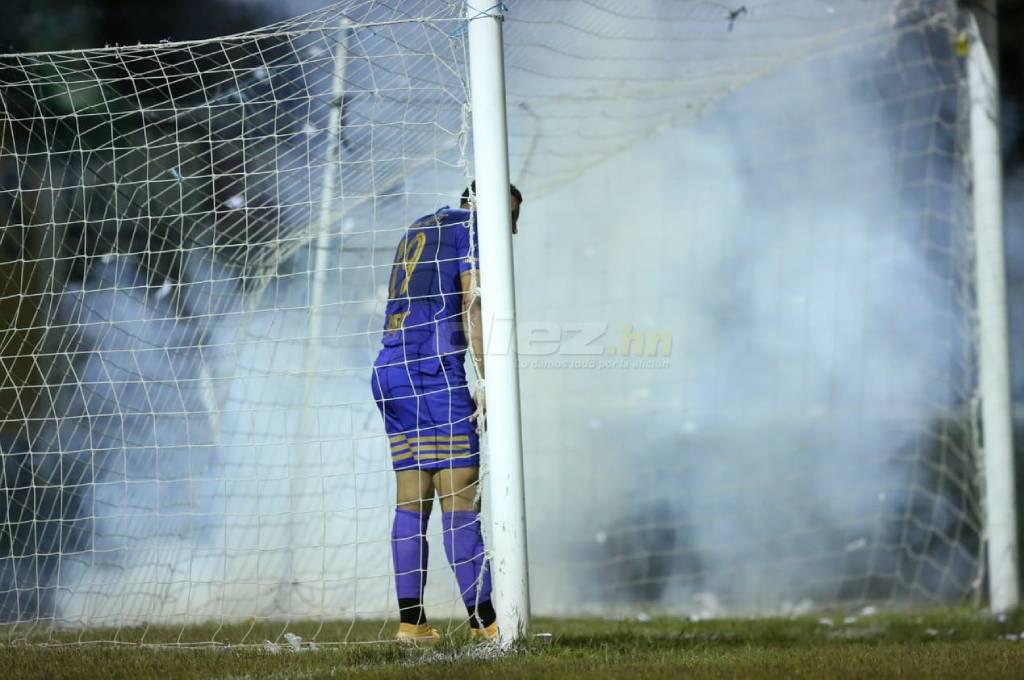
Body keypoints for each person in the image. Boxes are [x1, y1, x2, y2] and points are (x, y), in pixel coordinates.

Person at [371, 182, 523, 644]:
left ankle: (412, 623)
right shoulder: (471, 228)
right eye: (511, 217)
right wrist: (489, 381)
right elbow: (472, 305)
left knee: (412, 498)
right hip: (431, 373)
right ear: (491, 206)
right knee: (459, 498)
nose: (512, 230)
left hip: (389, 370)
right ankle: (486, 624)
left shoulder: (422, 226)